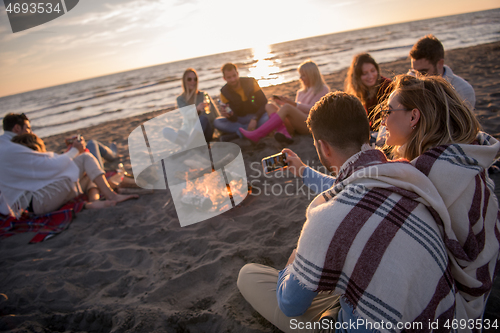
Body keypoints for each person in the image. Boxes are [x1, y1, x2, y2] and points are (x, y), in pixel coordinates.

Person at [237, 92, 455, 332]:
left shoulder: (327, 217)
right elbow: (351, 186)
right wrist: (302, 170)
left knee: (249, 276)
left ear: (323, 147)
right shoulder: (405, 176)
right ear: (367, 129)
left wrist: (293, 260)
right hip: (442, 318)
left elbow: (290, 304)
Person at [378, 74, 498, 325]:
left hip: (458, 303)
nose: (383, 119)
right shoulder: (461, 158)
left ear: (413, 116)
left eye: (388, 111)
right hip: (481, 286)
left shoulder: (423, 177)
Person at [0, 113, 138, 217]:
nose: (31, 132)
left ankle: (97, 198)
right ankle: (111, 195)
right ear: (17, 128)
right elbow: (52, 166)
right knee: (85, 158)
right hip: (38, 202)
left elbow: (42, 168)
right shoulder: (12, 148)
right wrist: (74, 150)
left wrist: (70, 153)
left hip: (32, 202)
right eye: (28, 128)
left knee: (86, 169)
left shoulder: (5, 146)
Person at [11, 133, 115, 210]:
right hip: (46, 199)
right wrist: (74, 150)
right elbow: (61, 169)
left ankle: (113, 152)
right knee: (92, 144)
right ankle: (113, 152)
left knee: (89, 159)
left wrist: (70, 150)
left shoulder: (20, 167)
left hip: (36, 203)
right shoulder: (39, 163)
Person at [240, 60, 329, 144]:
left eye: (303, 75)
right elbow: (296, 110)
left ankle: (258, 134)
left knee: (286, 107)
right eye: (300, 75)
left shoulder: (322, 89)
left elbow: (316, 110)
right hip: (296, 125)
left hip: (311, 125)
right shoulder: (300, 92)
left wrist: (292, 104)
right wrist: (284, 102)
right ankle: (284, 133)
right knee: (269, 106)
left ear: (311, 75)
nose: (300, 78)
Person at [409, 34, 476, 108]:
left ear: (440, 63)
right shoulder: (411, 78)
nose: (418, 77)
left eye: (423, 72)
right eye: (415, 71)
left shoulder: (462, 90)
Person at [213, 63, 269, 142]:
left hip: (257, 116)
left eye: (234, 76)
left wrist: (255, 119)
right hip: (240, 120)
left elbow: (264, 103)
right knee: (217, 122)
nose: (233, 79)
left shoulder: (251, 82)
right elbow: (234, 118)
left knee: (268, 116)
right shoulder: (224, 92)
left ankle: (238, 134)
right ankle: (247, 130)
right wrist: (229, 116)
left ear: (237, 74)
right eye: (229, 77)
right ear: (224, 78)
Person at [344, 53, 391, 130]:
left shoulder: (387, 87)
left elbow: (379, 121)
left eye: (373, 71)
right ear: (357, 77)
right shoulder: (361, 90)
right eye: (365, 73)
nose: (370, 76)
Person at [176, 68, 220, 142]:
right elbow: (186, 115)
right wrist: (197, 109)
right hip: (189, 132)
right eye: (189, 79)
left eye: (195, 79)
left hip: (206, 132)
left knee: (203, 119)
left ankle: (189, 144)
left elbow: (215, 115)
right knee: (166, 131)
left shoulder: (203, 95)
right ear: (184, 81)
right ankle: (189, 142)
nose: (193, 81)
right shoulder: (180, 99)